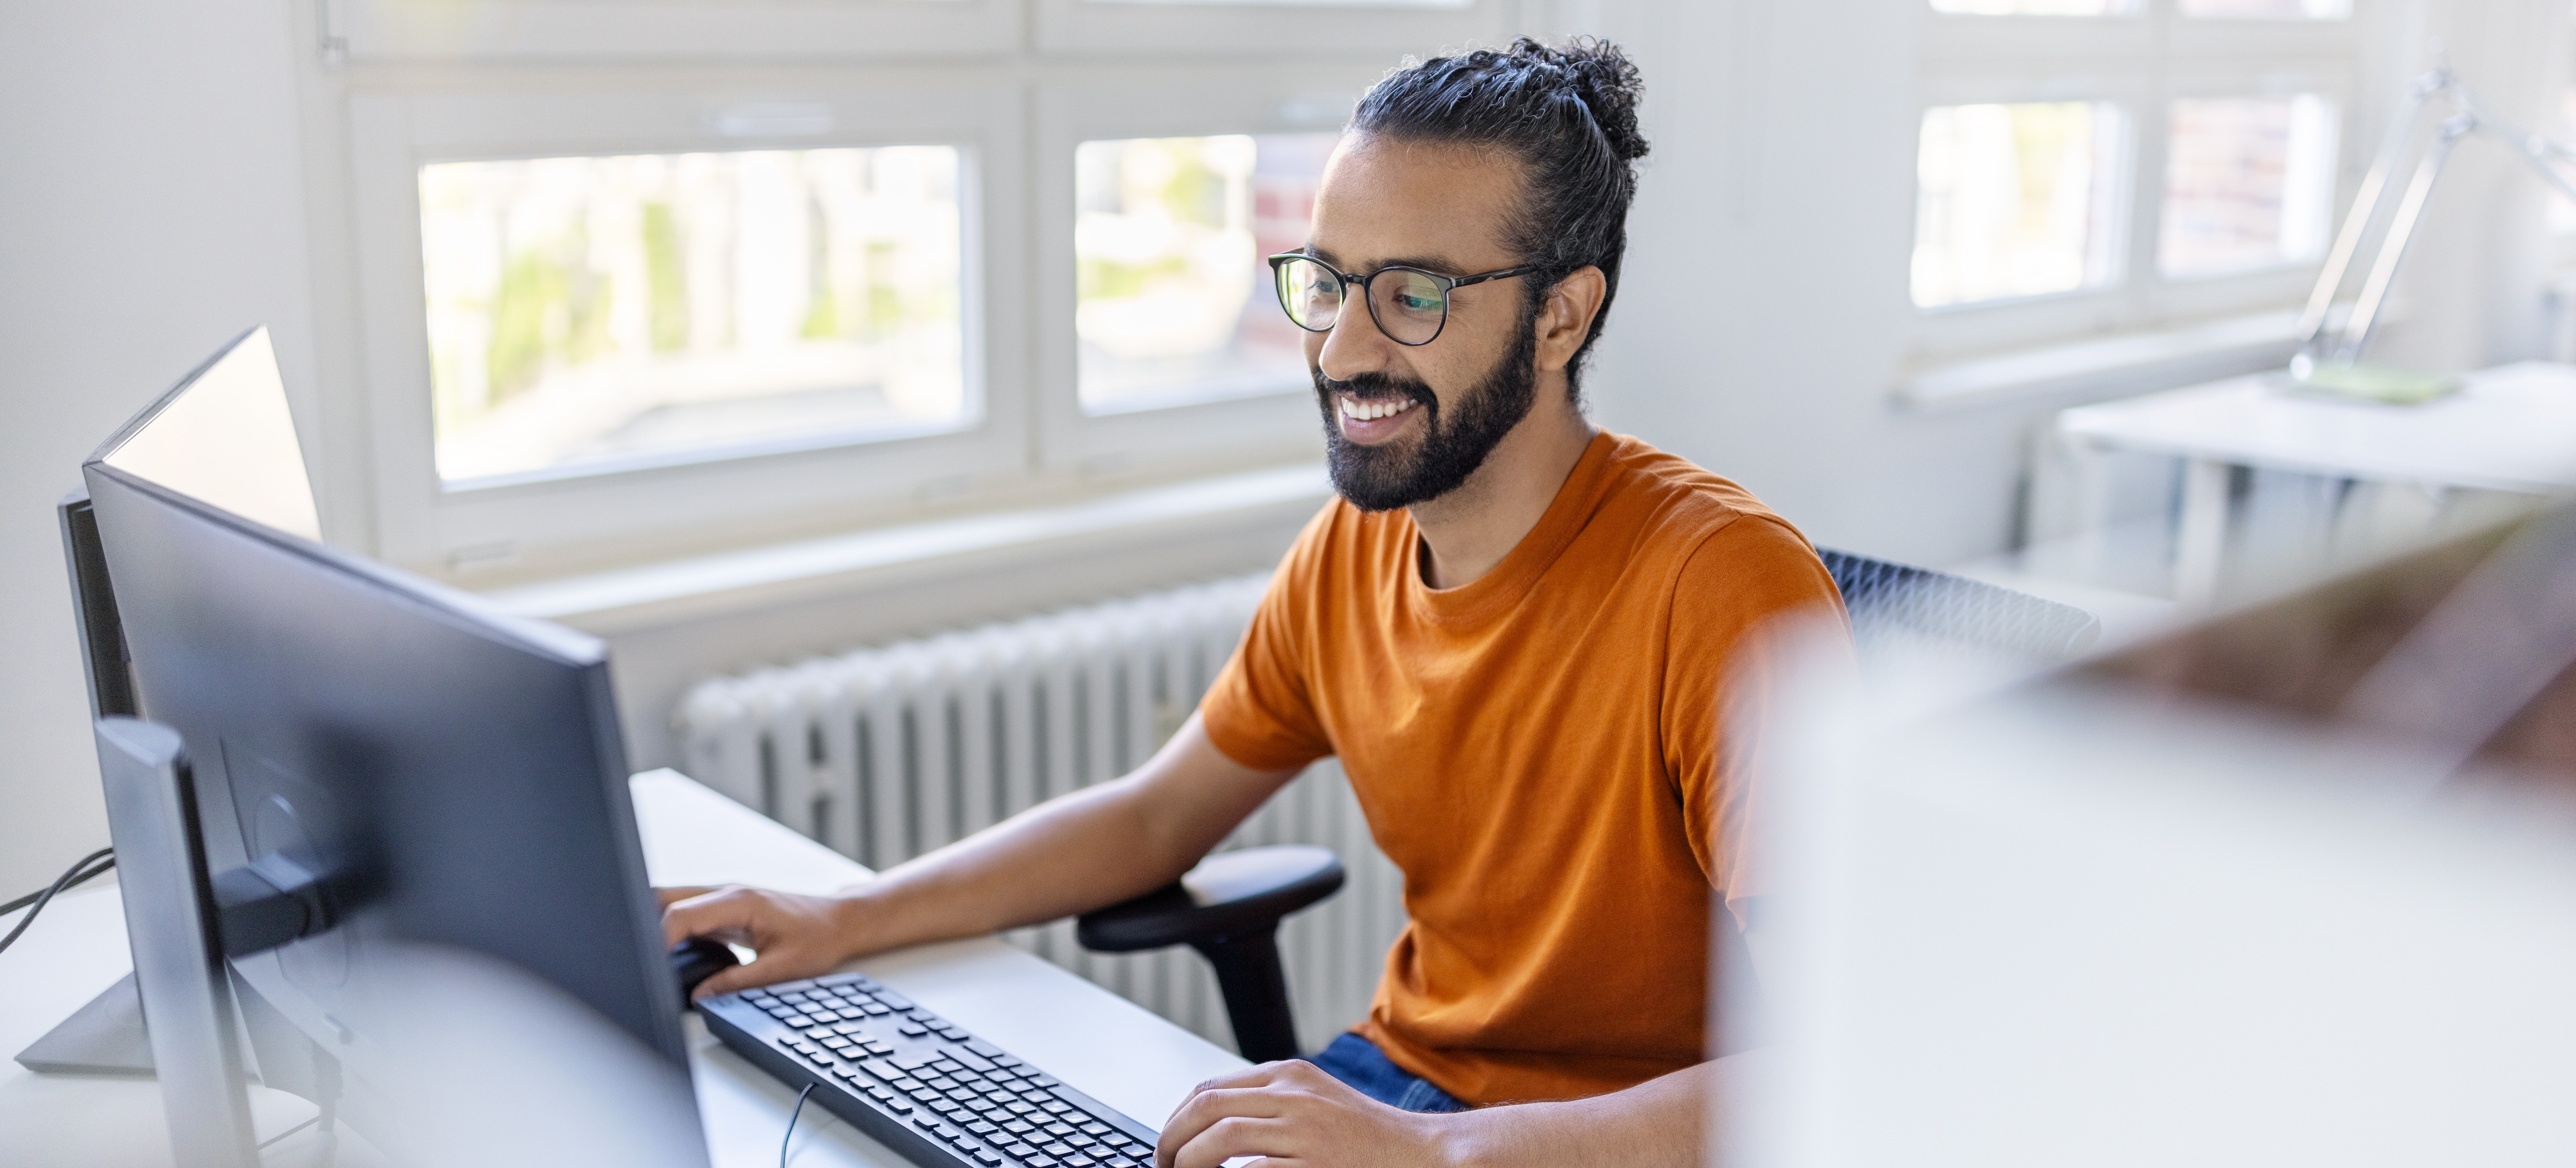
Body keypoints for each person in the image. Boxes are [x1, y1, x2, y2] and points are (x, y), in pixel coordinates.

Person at [660, 36, 1848, 1167]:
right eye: (1328, 282)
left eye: (1415, 296)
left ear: (1560, 316)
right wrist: (844, 916)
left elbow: (1850, 1058)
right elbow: (1152, 819)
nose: (1339, 351)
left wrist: (1435, 1152)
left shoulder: (1727, 591)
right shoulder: (1351, 553)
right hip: (1409, 1093)